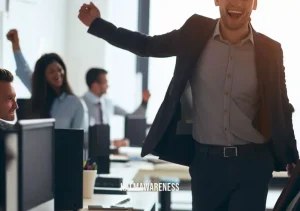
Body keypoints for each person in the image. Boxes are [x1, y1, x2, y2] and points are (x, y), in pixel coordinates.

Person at [78, 1, 299, 210]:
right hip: (206, 164)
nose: (236, 3)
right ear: (216, 0)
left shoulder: (270, 50)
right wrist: (98, 25)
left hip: (253, 164)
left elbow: (281, 104)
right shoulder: (196, 31)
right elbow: (147, 45)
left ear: (255, 3)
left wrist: (291, 155)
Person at [6, 29, 88, 131]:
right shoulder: (40, 92)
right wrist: (15, 44)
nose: (57, 74)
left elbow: (80, 139)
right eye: (51, 71)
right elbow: (24, 71)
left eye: (59, 69)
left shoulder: (75, 103)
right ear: (43, 76)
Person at [82, 68, 151, 146]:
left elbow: (131, 117)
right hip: (86, 153)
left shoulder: (108, 103)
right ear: (95, 85)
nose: (108, 86)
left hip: (104, 151)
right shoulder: (80, 105)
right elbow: (80, 136)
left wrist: (144, 102)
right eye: (105, 82)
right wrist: (110, 143)